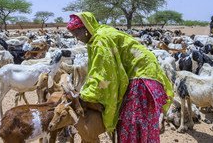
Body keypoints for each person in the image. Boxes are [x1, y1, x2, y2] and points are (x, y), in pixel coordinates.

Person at [66, 12, 173, 143]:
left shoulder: (100, 40)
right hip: (148, 75)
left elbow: (105, 76)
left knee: (130, 123)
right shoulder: (101, 33)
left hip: (140, 78)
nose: (77, 39)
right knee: (143, 122)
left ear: (85, 29)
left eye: (77, 34)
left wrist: (85, 95)